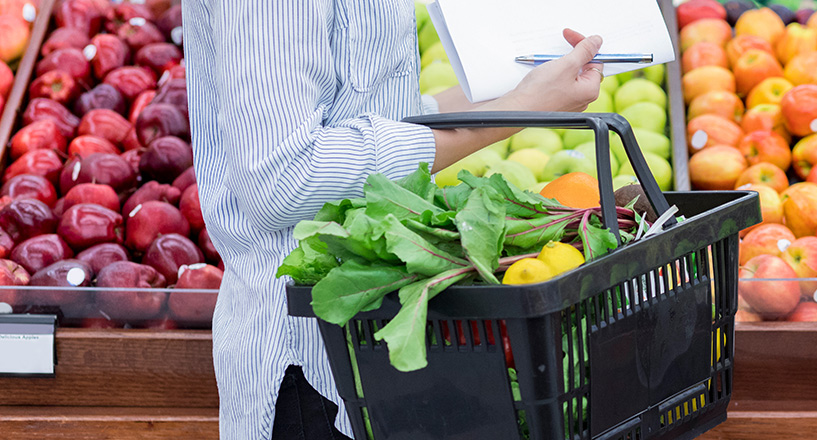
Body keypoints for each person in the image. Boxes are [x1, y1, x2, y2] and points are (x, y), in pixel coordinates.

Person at [182, 2, 605, 438]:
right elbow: (283, 178)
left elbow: (365, 112)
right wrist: (519, 108)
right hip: (314, 371)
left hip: (378, 353)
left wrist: (524, 90)